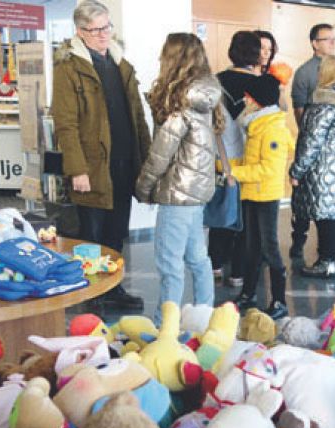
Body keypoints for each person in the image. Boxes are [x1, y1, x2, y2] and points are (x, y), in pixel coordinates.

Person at [51, 0, 150, 310]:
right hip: (92, 167)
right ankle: (91, 293)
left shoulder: (121, 64)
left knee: (116, 232)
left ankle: (113, 288)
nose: (104, 34)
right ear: (80, 32)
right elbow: (65, 124)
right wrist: (77, 169)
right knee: (91, 236)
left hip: (124, 161)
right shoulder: (69, 68)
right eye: (95, 30)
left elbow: (138, 117)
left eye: (107, 27)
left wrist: (146, 161)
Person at [135, 33, 223, 325]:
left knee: (169, 264)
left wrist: (143, 187)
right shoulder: (204, 98)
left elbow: (160, 154)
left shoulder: (182, 105)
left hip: (177, 192)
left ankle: (164, 327)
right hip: (196, 191)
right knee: (198, 259)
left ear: (172, 59)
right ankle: (204, 318)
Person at [289, 56, 335, 278]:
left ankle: (326, 262)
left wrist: (296, 170)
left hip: (322, 171)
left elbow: (310, 143)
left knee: (324, 219)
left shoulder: (322, 107)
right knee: (331, 216)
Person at [229, 74, 294, 320]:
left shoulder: (272, 129)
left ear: (259, 102)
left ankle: (279, 301)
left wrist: (235, 173)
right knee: (252, 246)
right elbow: (250, 161)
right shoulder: (256, 125)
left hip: (266, 196)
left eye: (249, 97)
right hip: (252, 193)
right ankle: (248, 294)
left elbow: (268, 169)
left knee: (270, 247)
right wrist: (224, 166)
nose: (245, 100)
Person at [208, 31, 260, 287]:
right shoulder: (261, 85)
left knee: (220, 213)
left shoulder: (215, 82)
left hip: (221, 159)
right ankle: (238, 273)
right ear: (257, 55)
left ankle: (215, 266)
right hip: (249, 161)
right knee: (244, 221)